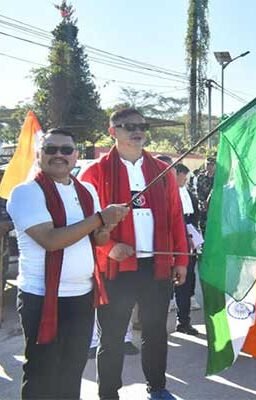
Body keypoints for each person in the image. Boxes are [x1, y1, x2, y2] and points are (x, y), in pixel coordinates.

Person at [8, 128, 129, 399]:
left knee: (73, 370)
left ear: (76, 155)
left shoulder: (86, 191)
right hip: (42, 298)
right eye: (51, 149)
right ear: (39, 154)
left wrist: (106, 227)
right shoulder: (26, 192)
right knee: (43, 372)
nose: (59, 155)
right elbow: (50, 240)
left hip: (82, 296)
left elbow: (96, 240)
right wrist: (100, 218)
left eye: (66, 150)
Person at [80, 108, 188, 400]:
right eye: (127, 126)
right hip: (115, 268)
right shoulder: (94, 173)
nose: (136, 130)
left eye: (141, 125)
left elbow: (175, 218)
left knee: (155, 332)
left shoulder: (162, 171)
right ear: (112, 130)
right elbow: (85, 222)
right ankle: (108, 394)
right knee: (112, 338)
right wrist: (108, 247)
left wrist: (181, 259)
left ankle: (158, 387)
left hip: (157, 266)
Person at [173, 163, 200, 335]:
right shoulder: (165, 194)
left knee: (187, 282)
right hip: (172, 244)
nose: (185, 180)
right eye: (183, 176)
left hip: (189, 243)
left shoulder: (188, 193)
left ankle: (183, 321)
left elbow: (193, 218)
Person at [195, 156, 215, 231]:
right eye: (208, 164)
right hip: (203, 205)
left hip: (213, 205)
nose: (209, 166)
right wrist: (203, 202)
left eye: (212, 164)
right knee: (203, 226)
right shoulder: (201, 176)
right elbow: (198, 190)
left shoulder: (217, 178)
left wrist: (209, 202)